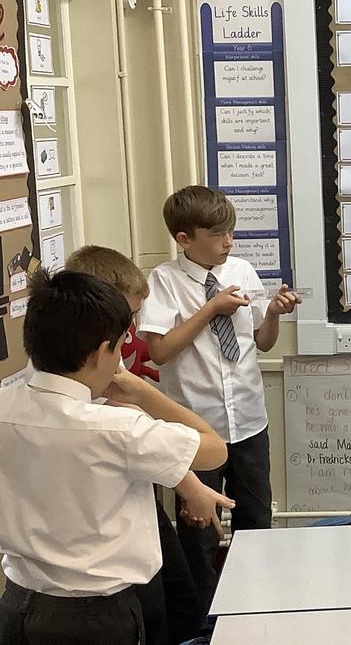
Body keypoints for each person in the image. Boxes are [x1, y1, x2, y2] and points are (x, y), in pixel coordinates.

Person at [0, 269, 228, 644]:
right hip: (94, 618)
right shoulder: (118, 429)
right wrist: (143, 393)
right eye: (121, 346)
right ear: (101, 352)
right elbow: (214, 448)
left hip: (17, 604)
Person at [138, 186, 301, 617]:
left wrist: (273, 313)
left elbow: (262, 342)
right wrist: (210, 309)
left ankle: (256, 606)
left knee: (256, 520)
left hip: (248, 420)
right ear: (184, 238)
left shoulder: (243, 270)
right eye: (217, 235)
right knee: (199, 531)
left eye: (231, 232)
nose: (228, 242)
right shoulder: (164, 281)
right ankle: (204, 621)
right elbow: (159, 351)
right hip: (195, 429)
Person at [65, 245, 235, 644]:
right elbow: (205, 447)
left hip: (134, 488)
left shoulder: (107, 350)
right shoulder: (87, 366)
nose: (133, 329)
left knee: (180, 599)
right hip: (103, 530)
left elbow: (135, 427)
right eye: (128, 315)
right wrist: (190, 484)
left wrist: (188, 484)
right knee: (165, 605)